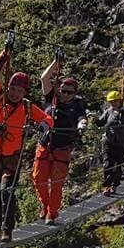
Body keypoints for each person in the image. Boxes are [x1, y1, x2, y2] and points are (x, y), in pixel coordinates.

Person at [0, 44, 48, 242]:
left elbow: (46, 118)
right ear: (8, 86)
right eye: (13, 88)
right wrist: (4, 55)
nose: (16, 93)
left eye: (20, 90)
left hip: (11, 157)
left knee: (6, 191)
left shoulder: (27, 108)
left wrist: (44, 125)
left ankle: (7, 229)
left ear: (24, 92)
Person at [31, 57, 87, 223]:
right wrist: (55, 62)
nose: (65, 94)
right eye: (63, 90)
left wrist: (82, 124)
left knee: (56, 183)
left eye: (69, 92)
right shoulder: (51, 99)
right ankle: (45, 205)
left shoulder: (77, 105)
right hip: (45, 144)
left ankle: (52, 213)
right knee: (38, 178)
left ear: (74, 94)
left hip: (62, 148)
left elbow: (81, 118)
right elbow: (44, 78)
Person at [98, 89, 124, 196]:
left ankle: (114, 185)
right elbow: (100, 123)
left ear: (120, 101)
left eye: (115, 101)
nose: (113, 104)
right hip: (109, 142)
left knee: (118, 165)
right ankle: (106, 186)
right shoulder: (108, 112)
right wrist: (92, 118)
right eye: (111, 102)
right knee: (108, 164)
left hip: (123, 142)